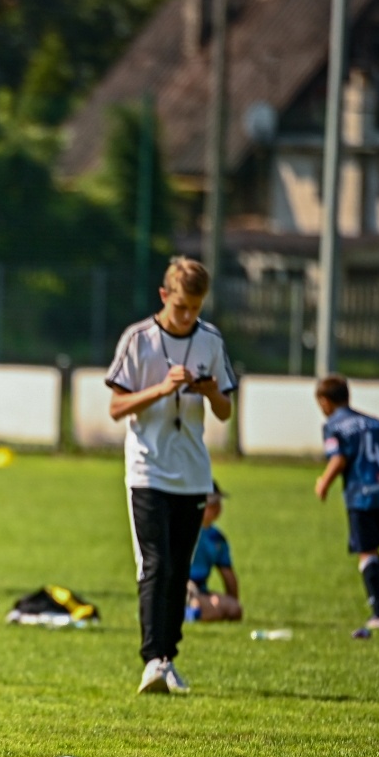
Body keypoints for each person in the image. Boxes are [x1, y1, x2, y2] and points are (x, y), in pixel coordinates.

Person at [106, 256, 236, 695]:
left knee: (180, 570)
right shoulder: (137, 340)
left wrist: (210, 390)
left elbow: (225, 410)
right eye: (181, 307)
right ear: (164, 296)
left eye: (195, 309)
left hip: (193, 473)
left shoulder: (211, 340)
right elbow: (116, 408)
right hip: (147, 468)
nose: (187, 316)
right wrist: (161, 389)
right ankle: (153, 660)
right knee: (156, 564)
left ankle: (169, 658)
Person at [314, 375, 379, 631]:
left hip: (363, 492)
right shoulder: (374, 422)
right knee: (373, 548)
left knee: (366, 552)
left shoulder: (334, 425)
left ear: (325, 401)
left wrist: (323, 482)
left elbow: (339, 459)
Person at [186, 486, 242, 622]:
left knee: (234, 610)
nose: (217, 508)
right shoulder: (185, 531)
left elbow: (227, 573)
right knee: (203, 606)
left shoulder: (217, 538)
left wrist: (232, 600)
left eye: (218, 503)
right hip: (183, 587)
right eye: (211, 504)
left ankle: (197, 612)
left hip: (201, 590)